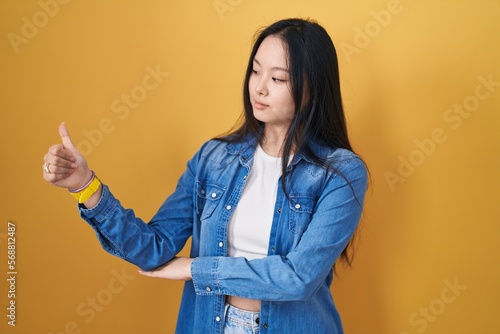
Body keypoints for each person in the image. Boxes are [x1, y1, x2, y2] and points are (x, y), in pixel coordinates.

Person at [42, 18, 368, 334]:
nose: (259, 87)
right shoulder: (214, 158)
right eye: (255, 71)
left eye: (278, 79)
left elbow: (299, 277)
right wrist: (86, 187)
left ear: (313, 88)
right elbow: (154, 249)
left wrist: (194, 268)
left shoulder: (340, 173)